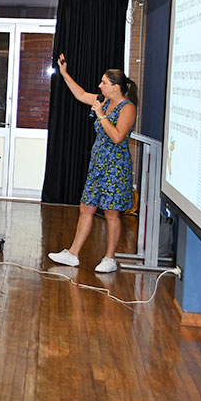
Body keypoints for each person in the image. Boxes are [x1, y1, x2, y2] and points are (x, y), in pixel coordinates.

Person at [48, 55, 138, 273]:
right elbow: (79, 94)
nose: (100, 86)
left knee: (111, 212)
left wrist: (101, 116)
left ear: (116, 87)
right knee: (86, 207)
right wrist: (64, 73)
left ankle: (109, 258)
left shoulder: (127, 108)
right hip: (97, 165)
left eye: (104, 83)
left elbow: (117, 137)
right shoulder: (103, 101)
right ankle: (73, 254)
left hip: (116, 166)